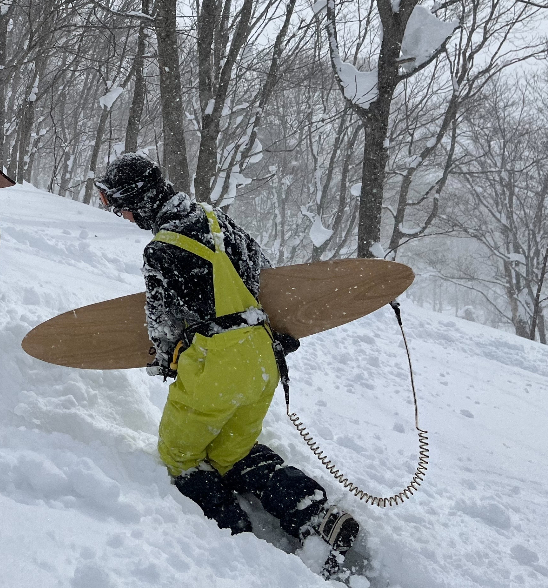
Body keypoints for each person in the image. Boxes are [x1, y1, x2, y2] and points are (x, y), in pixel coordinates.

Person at [94, 152, 360, 578]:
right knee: (231, 453)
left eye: (117, 204)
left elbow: (162, 327)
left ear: (139, 200)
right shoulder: (216, 219)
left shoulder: (161, 250)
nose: (119, 214)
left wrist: (166, 362)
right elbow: (267, 277)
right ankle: (315, 514)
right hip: (263, 357)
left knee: (180, 456)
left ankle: (234, 537)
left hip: (218, 365)